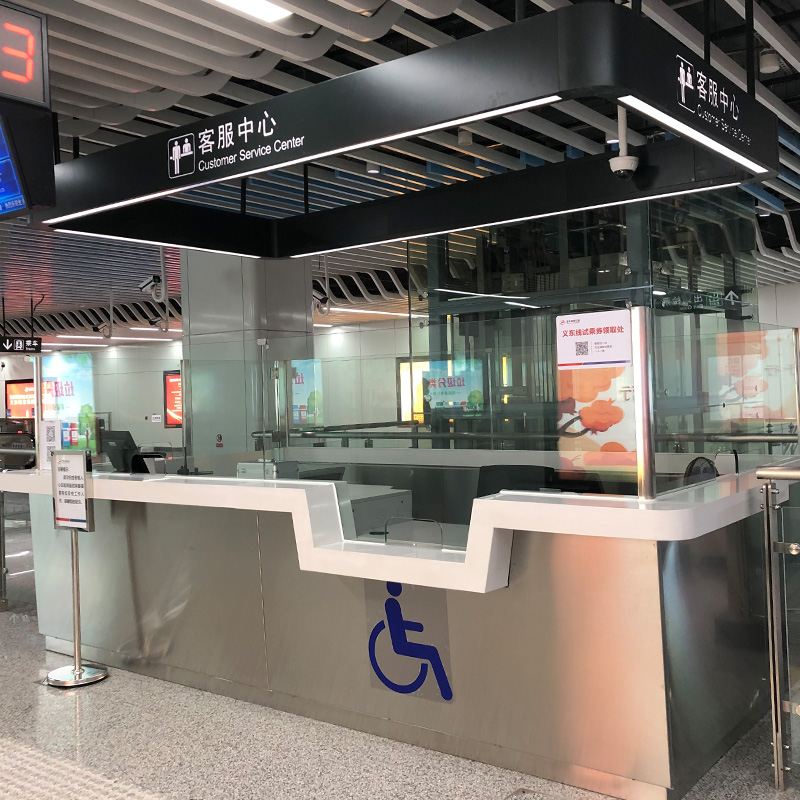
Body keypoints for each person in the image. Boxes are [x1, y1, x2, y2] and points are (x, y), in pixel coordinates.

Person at [383, 582, 453, 701]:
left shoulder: (392, 602)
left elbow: (399, 625)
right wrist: (418, 627)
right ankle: (445, 690)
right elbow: (397, 626)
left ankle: (445, 690)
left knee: (432, 652)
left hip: (403, 640)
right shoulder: (392, 603)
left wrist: (417, 627)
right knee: (432, 653)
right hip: (401, 645)